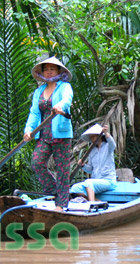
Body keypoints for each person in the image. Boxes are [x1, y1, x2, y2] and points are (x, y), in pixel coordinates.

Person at [23, 56, 73, 212]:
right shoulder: (39, 91)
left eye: (53, 69)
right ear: (42, 72)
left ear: (58, 71)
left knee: (62, 170)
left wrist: (60, 106)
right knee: (37, 162)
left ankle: (61, 205)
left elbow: (67, 99)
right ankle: (54, 191)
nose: (49, 72)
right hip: (44, 135)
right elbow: (34, 113)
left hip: (61, 134)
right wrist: (28, 129)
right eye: (46, 69)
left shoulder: (64, 87)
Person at [69, 124, 117, 202]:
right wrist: (83, 165)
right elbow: (90, 169)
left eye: (94, 136)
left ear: (100, 136)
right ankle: (97, 201)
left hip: (108, 181)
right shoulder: (92, 151)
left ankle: (92, 204)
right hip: (95, 181)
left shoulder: (108, 146)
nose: (92, 139)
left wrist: (106, 133)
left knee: (88, 182)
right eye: (91, 137)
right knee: (74, 188)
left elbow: (113, 144)